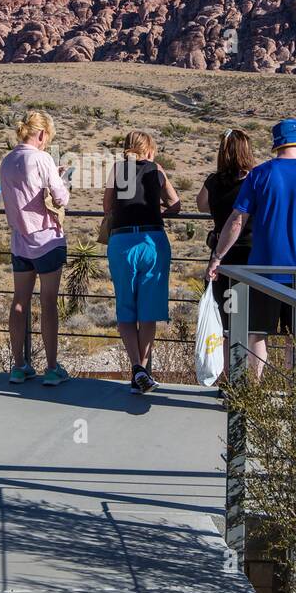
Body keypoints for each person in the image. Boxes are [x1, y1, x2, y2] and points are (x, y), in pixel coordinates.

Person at [207, 119, 296, 377]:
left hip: (262, 272)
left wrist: (218, 257)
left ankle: (254, 395)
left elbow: (236, 221)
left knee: (257, 334)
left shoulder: (259, 174)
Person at [104, 130, 180, 395]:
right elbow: (176, 204)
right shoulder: (156, 170)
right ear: (148, 150)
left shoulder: (117, 169)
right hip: (152, 241)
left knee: (126, 308)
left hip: (122, 242)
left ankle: (136, 368)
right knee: (148, 311)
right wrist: (158, 208)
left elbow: (107, 208)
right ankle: (142, 372)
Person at [0, 110, 72, 386]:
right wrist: (60, 177)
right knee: (48, 303)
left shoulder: (7, 161)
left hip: (19, 240)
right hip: (46, 239)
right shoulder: (41, 158)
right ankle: (52, 368)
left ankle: (19, 365)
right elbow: (60, 197)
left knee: (19, 301)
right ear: (42, 134)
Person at [196, 129, 255, 338]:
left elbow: (201, 205)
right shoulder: (253, 181)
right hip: (250, 253)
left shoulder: (213, 181)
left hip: (221, 252)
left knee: (224, 321)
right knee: (251, 322)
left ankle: (226, 369)